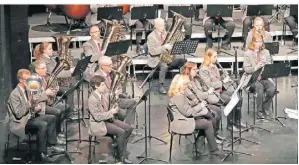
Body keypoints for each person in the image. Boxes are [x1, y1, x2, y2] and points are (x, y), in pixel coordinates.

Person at [7, 69, 64, 162]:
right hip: (21, 122)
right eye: (27, 80)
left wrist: (36, 106)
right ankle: (41, 153)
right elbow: (18, 114)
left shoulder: (28, 89)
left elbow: (34, 101)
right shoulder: (14, 94)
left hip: (30, 117)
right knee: (43, 125)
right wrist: (29, 103)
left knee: (52, 118)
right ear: (20, 80)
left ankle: (51, 145)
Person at [168, 74, 225, 157]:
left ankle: (199, 147)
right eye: (185, 84)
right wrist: (200, 106)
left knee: (205, 121)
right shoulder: (178, 96)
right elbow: (187, 113)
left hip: (184, 119)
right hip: (182, 123)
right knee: (208, 124)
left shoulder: (179, 93)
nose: (187, 86)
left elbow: (186, 106)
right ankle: (213, 150)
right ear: (180, 84)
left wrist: (195, 102)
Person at [88, 75, 133, 164]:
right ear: (96, 86)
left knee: (129, 128)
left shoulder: (102, 94)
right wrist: (111, 112)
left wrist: (115, 97)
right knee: (121, 132)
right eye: (102, 85)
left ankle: (118, 146)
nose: (105, 87)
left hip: (107, 120)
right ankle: (121, 157)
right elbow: (97, 117)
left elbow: (108, 103)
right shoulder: (92, 99)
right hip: (99, 124)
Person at [199, 49, 245, 131]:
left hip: (219, 90)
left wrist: (224, 77)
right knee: (231, 100)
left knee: (239, 98)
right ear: (208, 57)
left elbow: (217, 79)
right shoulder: (203, 69)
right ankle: (230, 125)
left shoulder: (215, 66)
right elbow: (208, 85)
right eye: (214, 57)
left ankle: (237, 121)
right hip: (212, 94)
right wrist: (223, 81)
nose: (216, 59)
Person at [181, 62, 225, 142]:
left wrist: (206, 89)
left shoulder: (195, 79)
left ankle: (215, 133)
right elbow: (197, 96)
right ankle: (212, 137)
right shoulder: (186, 82)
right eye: (194, 69)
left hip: (200, 103)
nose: (197, 71)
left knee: (218, 110)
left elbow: (200, 91)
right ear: (189, 71)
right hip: (194, 107)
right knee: (213, 114)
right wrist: (208, 93)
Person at [92, 56, 137, 127]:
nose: (112, 66)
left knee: (133, 102)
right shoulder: (97, 77)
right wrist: (114, 94)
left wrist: (118, 90)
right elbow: (99, 96)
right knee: (122, 113)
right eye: (109, 65)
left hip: (114, 99)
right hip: (106, 104)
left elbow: (112, 87)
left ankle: (128, 126)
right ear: (102, 66)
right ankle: (121, 128)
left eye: (111, 64)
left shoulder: (108, 73)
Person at [147, 18, 186, 94]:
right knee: (164, 65)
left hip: (167, 57)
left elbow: (176, 41)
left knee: (183, 61)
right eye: (161, 26)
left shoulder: (165, 33)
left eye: (163, 25)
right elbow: (152, 51)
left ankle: (181, 82)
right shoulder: (151, 37)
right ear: (156, 26)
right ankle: (161, 85)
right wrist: (164, 47)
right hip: (156, 59)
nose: (164, 27)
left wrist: (181, 33)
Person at [33, 60, 69, 138]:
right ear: (36, 70)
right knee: (57, 112)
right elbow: (34, 98)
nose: (46, 69)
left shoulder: (43, 78)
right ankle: (55, 135)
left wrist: (53, 93)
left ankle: (57, 131)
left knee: (65, 107)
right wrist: (46, 93)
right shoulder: (34, 81)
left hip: (46, 103)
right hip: (39, 107)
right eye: (43, 68)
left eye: (45, 67)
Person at [243, 33, 276, 119]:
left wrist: (265, 64)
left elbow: (270, 66)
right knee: (259, 88)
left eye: (261, 41)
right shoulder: (248, 53)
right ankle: (259, 111)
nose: (260, 43)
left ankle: (265, 107)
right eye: (257, 41)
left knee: (272, 89)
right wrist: (256, 67)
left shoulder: (266, 52)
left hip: (264, 77)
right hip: (252, 79)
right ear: (253, 42)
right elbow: (246, 69)